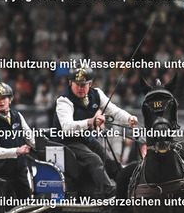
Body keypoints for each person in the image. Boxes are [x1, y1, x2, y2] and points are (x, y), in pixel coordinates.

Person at [52, 64, 138, 197]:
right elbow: (67, 127)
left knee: (110, 161)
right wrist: (90, 122)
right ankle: (111, 194)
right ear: (70, 83)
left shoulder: (97, 94)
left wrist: (128, 118)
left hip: (86, 139)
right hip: (66, 142)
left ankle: (127, 189)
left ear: (90, 84)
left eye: (83, 85)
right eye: (77, 84)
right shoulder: (64, 100)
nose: (80, 88)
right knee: (94, 160)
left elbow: (114, 111)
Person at [0, 82, 34, 199]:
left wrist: (44, 148)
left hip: (20, 171)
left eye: (4, 98)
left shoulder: (18, 116)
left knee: (27, 204)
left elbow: (31, 138)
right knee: (7, 207)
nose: (1, 102)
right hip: (2, 174)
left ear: (10, 99)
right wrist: (17, 150)